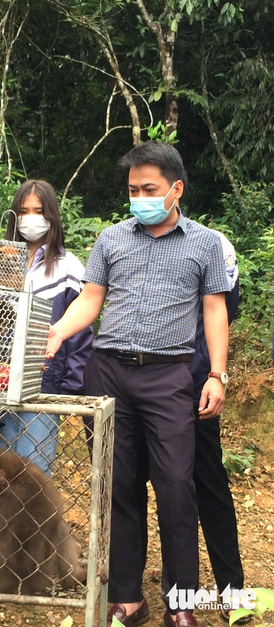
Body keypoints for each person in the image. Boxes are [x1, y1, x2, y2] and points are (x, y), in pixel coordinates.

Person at [45, 141, 231, 627]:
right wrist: (60, 331)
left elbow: (215, 310)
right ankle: (127, 596)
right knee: (118, 484)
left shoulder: (206, 243)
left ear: (176, 190)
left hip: (170, 375)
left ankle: (181, 600)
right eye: (133, 190)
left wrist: (217, 373)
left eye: (149, 189)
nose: (140, 197)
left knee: (175, 484)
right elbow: (91, 298)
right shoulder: (111, 239)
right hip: (108, 373)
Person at [137, 231, 247, 625]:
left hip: (194, 385)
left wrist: (213, 376)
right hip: (143, 388)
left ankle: (232, 590)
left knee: (208, 484)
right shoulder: (138, 247)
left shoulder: (217, 248)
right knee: (139, 488)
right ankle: (134, 591)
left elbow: (221, 315)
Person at [0, 180, 93, 475]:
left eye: (38, 210)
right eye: (23, 211)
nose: (30, 218)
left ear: (51, 216)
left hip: (45, 386)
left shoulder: (68, 266)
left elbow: (80, 332)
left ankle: (36, 524)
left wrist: (69, 389)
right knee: (0, 473)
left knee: (34, 474)